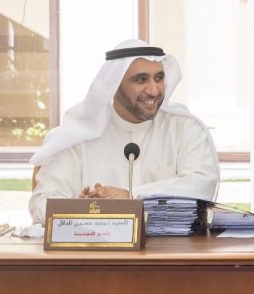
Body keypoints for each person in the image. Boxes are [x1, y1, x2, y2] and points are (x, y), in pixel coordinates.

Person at [29, 39, 219, 223]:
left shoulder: (184, 129)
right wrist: (86, 210)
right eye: (141, 80)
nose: (154, 90)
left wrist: (132, 196)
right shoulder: (77, 137)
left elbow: (203, 186)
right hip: (96, 243)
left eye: (159, 78)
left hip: (171, 244)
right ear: (114, 85)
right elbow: (42, 204)